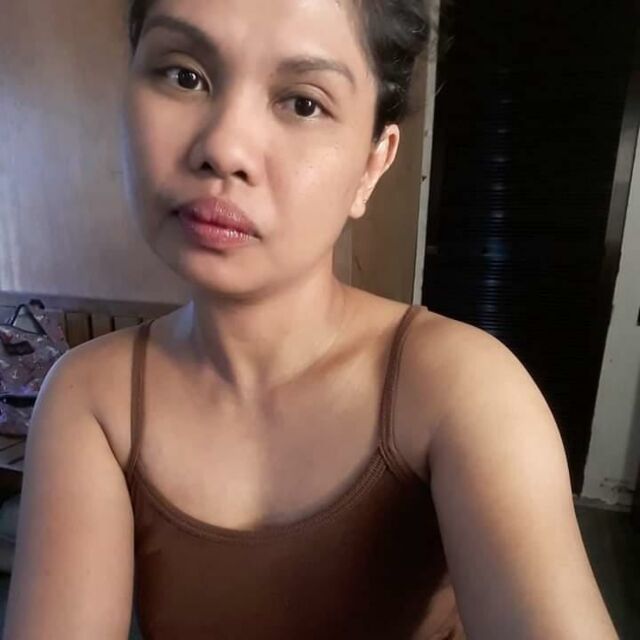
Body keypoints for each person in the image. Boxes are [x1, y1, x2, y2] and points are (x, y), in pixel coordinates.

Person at [3, 0, 617, 638]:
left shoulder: (464, 388)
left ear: (373, 164)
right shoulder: (91, 398)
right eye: (184, 75)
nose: (224, 148)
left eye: (303, 103)